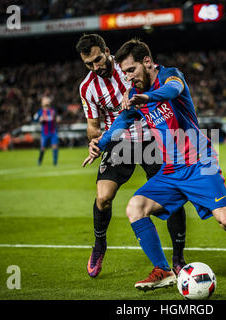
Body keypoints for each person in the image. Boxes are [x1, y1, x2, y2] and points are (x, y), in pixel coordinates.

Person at [83, 39, 226, 295]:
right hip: (171, 170)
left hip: (199, 162)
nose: (128, 78)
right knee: (135, 207)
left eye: (131, 70)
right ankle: (162, 270)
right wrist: (100, 144)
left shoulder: (170, 76)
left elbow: (173, 91)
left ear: (147, 62)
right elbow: (120, 122)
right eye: (125, 72)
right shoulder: (134, 95)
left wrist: (146, 97)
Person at [76, 34, 187, 278]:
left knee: (172, 196)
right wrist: (94, 142)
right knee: (103, 197)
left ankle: (178, 258)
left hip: (151, 137)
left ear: (107, 51)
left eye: (98, 60)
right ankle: (99, 245)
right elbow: (93, 124)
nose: (96, 67)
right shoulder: (87, 87)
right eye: (89, 64)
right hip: (119, 142)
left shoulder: (127, 65)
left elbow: (156, 80)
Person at [34, 96, 59, 166]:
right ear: (42, 103)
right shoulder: (40, 111)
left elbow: (56, 118)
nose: (47, 101)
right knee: (43, 148)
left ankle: (55, 162)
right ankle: (40, 160)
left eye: (47, 100)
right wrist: (40, 120)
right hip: (45, 133)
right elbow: (35, 119)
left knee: (55, 146)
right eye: (45, 100)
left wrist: (56, 119)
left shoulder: (52, 110)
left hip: (53, 132)